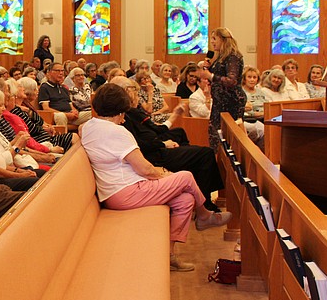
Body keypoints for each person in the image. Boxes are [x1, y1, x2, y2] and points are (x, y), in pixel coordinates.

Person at [80, 83, 231, 272]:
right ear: (120, 110)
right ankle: (204, 215)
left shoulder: (88, 126)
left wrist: (160, 176)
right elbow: (145, 169)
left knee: (185, 200)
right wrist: (163, 175)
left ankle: (169, 256)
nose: (124, 118)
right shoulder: (117, 132)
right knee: (185, 177)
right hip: (125, 192)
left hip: (116, 191)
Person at [113, 76, 224, 211]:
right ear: (126, 92)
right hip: (153, 155)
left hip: (153, 147)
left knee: (180, 133)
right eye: (134, 90)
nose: (137, 94)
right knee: (206, 154)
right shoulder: (125, 115)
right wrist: (163, 144)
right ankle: (205, 203)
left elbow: (150, 132)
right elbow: (141, 142)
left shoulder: (129, 112)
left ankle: (196, 189)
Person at [199, 27, 246, 148]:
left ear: (224, 39)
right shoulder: (220, 57)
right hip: (220, 102)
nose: (212, 42)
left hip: (230, 102)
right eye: (211, 39)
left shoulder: (232, 57)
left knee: (227, 139)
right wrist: (209, 68)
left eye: (215, 39)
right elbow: (218, 77)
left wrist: (211, 75)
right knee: (215, 136)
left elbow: (232, 80)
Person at [38, 62, 91, 126]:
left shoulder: (64, 88)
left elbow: (71, 105)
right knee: (61, 116)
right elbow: (46, 108)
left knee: (91, 113)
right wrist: (65, 114)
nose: (61, 73)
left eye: (62, 71)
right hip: (56, 115)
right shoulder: (45, 87)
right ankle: (63, 135)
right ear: (49, 73)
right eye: (57, 71)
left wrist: (74, 111)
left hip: (70, 115)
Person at [242, 66, 267, 149]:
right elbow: (247, 111)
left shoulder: (261, 92)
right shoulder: (241, 93)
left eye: (254, 77)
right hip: (249, 120)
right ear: (244, 79)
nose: (252, 80)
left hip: (264, 118)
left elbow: (266, 106)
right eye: (249, 77)